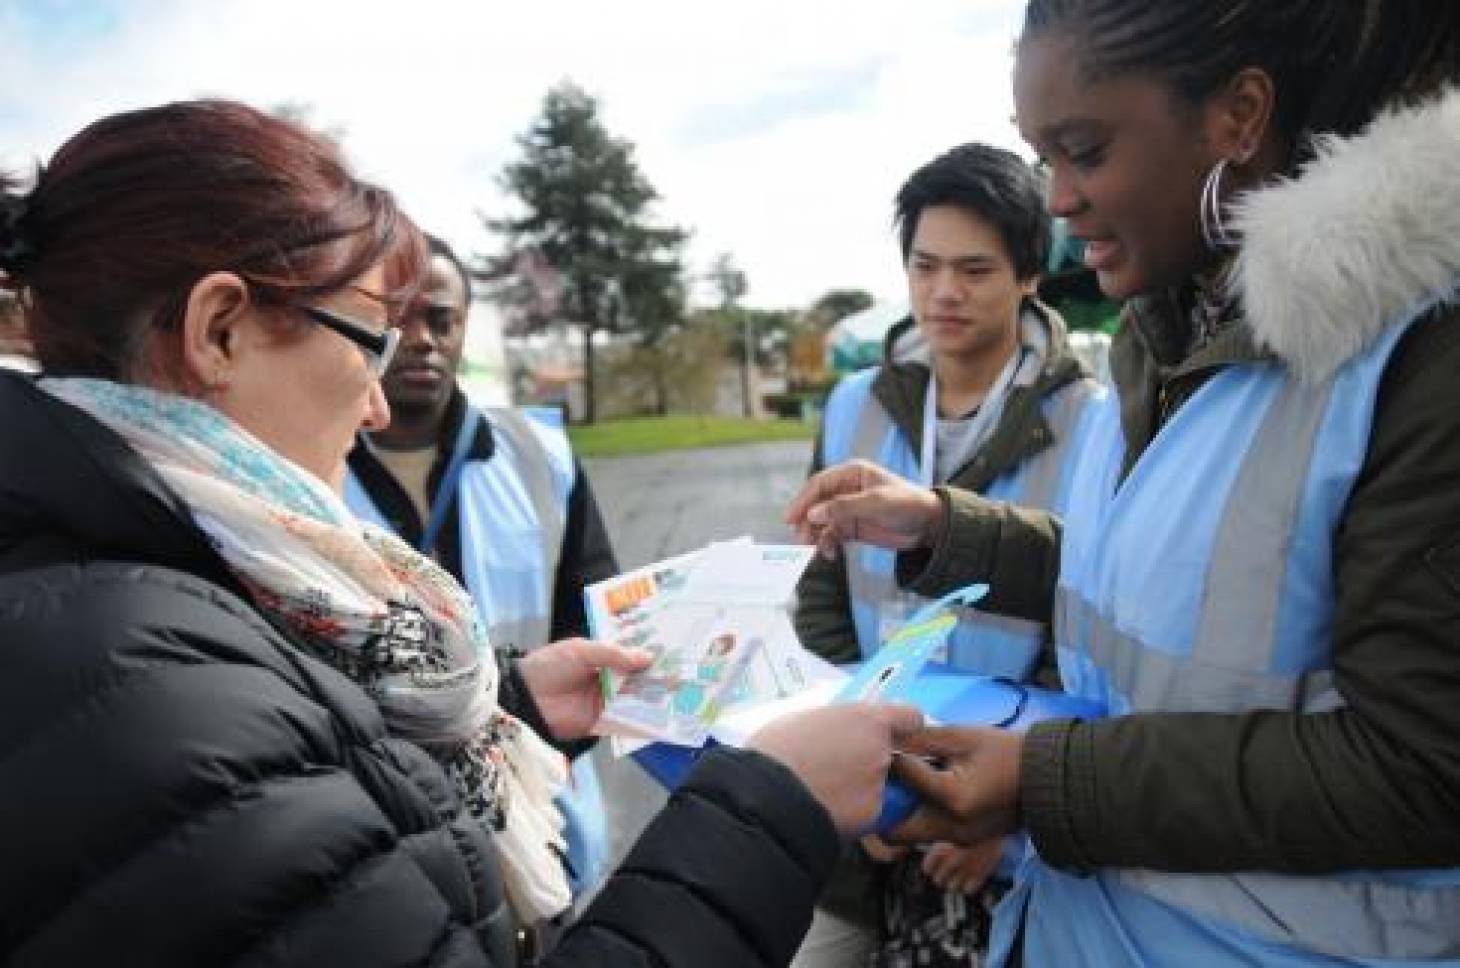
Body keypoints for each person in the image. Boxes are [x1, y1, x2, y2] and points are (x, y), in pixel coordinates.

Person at [0, 98, 923, 968]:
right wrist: (768, 809)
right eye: (370, 340)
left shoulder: (146, 584)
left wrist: (510, 707)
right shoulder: (152, 689)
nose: (372, 404)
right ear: (220, 331)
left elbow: (308, 834)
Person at [789, 1, 1460, 964]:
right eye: (1044, 156)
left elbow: (1426, 770)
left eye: (1086, 150)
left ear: (1239, 116)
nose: (1057, 201)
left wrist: (1042, 782)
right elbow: (1164, 588)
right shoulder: (1164, 333)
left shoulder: (1419, 360)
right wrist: (946, 528)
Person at [792, 144, 1100, 967]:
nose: (943, 293)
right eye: (924, 267)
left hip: (1008, 805)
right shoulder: (855, 402)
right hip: (867, 790)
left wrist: (1010, 814)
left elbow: (1091, 627)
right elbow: (821, 587)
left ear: (1031, 275)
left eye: (974, 270)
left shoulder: (1092, 422)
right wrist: (863, 762)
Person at [344, 234, 618, 900]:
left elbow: (598, 629)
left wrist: (532, 765)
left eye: (442, 319)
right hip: (391, 837)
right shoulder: (307, 466)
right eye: (399, 316)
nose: (423, 339)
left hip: (550, 816)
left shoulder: (540, 454)